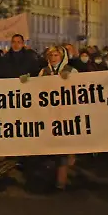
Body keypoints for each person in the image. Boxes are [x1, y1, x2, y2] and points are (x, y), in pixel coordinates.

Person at [39, 45, 79, 190]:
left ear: (62, 57)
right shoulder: (44, 71)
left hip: (66, 112)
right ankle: (53, 174)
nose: (53, 58)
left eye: (56, 55)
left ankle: (61, 180)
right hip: (50, 112)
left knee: (63, 145)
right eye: (51, 56)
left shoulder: (71, 71)